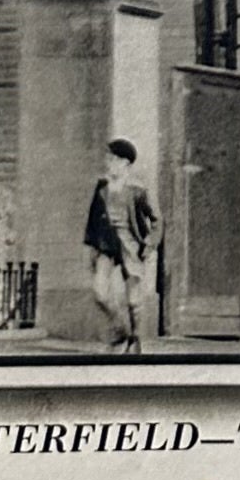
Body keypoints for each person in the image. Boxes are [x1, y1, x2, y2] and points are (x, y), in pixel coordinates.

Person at [84, 138, 162, 353]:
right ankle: (119, 328)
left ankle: (135, 338)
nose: (109, 163)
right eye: (108, 159)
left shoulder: (138, 190)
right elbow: (92, 220)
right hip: (105, 245)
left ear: (125, 164)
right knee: (100, 293)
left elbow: (156, 220)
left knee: (134, 299)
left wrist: (148, 244)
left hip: (130, 244)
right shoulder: (102, 187)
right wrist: (92, 247)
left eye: (114, 159)